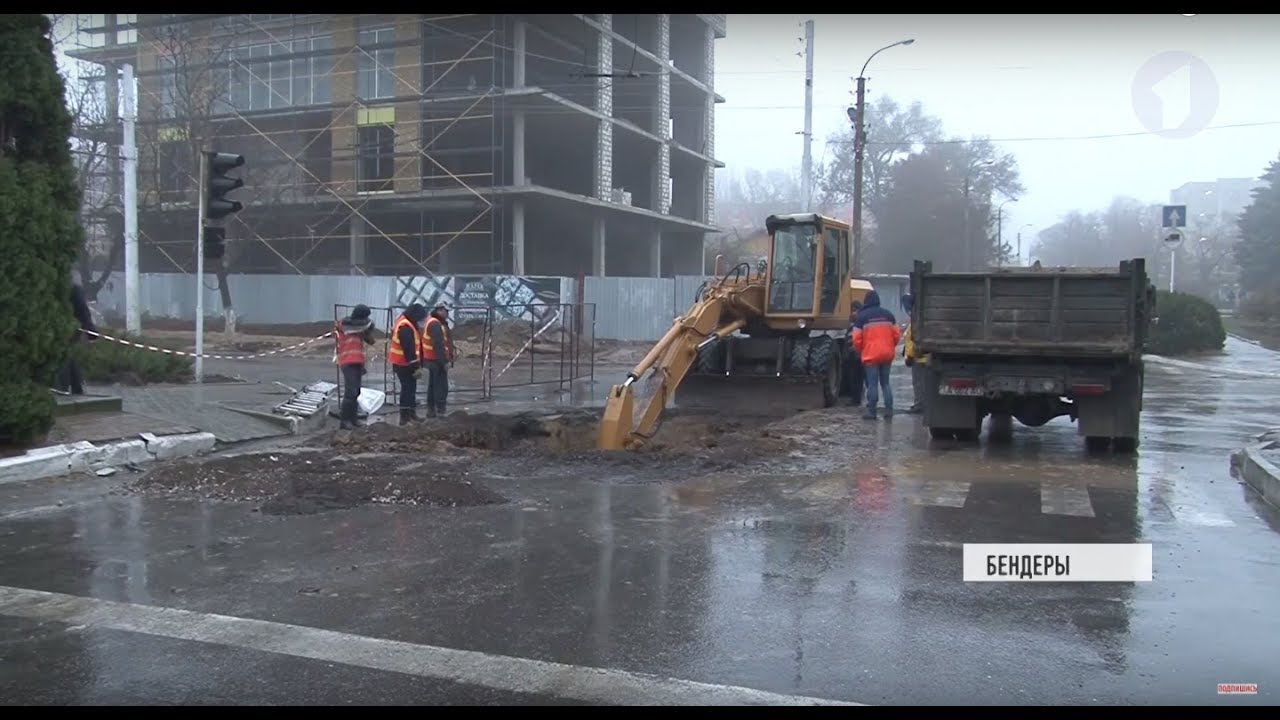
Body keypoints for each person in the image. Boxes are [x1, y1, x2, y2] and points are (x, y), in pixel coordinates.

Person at [851, 289, 901, 420]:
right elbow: (897, 335)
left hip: (871, 355)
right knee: (885, 383)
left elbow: (856, 339)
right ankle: (889, 411)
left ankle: (872, 412)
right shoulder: (889, 315)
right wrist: (890, 346)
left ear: (866, 301)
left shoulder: (862, 317)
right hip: (887, 354)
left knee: (872, 384)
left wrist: (861, 350)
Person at [334, 304, 377, 429]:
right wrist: (366, 326)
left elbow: (370, 339)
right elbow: (364, 325)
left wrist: (367, 332)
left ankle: (353, 419)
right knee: (350, 392)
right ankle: (345, 420)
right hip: (348, 361)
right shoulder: (347, 325)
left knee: (356, 392)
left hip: (357, 361)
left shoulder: (359, 328)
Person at [388, 303, 429, 425]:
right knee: (407, 390)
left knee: (411, 389)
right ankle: (404, 417)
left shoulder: (407, 322)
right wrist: (415, 367)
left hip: (405, 363)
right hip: (403, 364)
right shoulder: (405, 326)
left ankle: (411, 414)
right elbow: (409, 350)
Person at [56, 283, 97, 395]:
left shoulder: (71, 289)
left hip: (68, 329)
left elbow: (82, 311)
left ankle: (63, 389)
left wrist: (91, 332)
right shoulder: (71, 288)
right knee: (69, 356)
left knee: (64, 356)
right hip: (66, 329)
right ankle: (77, 388)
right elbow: (83, 311)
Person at [422, 303, 455, 418]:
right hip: (436, 360)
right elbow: (438, 345)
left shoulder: (435, 322)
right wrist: (444, 362)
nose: (448, 314)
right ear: (440, 310)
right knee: (441, 386)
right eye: (446, 311)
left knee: (433, 385)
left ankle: (431, 410)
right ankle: (440, 410)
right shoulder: (435, 324)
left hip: (432, 359)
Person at [901, 293, 929, 414]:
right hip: (926, 357)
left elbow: (914, 339)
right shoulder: (922, 316)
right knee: (924, 383)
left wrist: (910, 356)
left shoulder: (916, 319)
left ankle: (920, 405)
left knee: (919, 383)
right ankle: (924, 404)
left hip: (919, 358)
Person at [842, 300, 865, 406]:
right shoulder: (851, 322)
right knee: (854, 377)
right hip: (852, 354)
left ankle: (856, 399)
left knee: (857, 377)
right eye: (851, 310)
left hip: (857, 354)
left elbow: (855, 338)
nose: (852, 313)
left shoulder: (859, 322)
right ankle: (854, 397)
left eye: (854, 310)